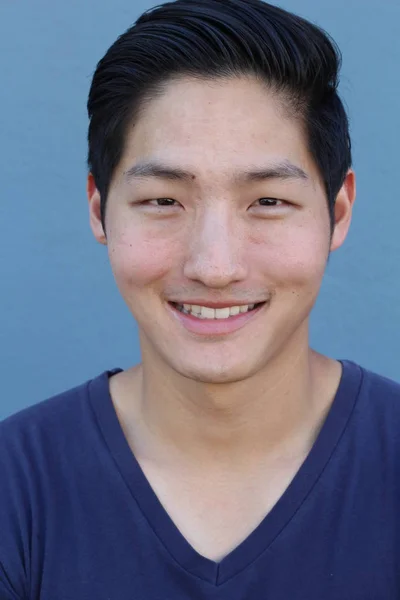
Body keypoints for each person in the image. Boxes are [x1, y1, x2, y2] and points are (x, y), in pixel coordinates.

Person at [1, 0, 399, 597]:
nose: (215, 266)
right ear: (98, 209)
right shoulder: (15, 488)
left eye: (268, 201)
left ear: (338, 213)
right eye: (163, 201)